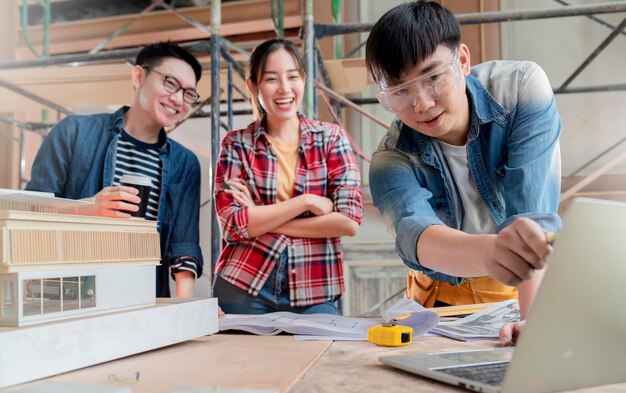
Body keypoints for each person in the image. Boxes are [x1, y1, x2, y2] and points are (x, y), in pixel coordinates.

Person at [365, 1, 562, 343]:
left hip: (522, 289)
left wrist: (532, 322)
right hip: (439, 304)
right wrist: (491, 252)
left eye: (433, 78)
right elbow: (417, 235)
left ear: (463, 60)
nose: (422, 103)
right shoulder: (390, 159)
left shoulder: (520, 90)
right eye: (400, 92)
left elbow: (532, 217)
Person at [26, 41, 203, 298]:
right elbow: (30, 209)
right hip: (68, 292)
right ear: (139, 76)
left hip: (143, 296)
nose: (178, 99)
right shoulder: (74, 132)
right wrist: (86, 208)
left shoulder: (185, 163)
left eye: (188, 94)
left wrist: (184, 310)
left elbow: (183, 245)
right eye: (170, 83)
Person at [213, 39, 363, 314]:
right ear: (253, 86)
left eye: (292, 77)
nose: (284, 88)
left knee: (319, 356)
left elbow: (348, 221)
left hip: (315, 286)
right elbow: (233, 225)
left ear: (303, 80)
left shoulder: (331, 138)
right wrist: (306, 202)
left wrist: (260, 216)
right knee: (241, 359)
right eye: (271, 79)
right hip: (244, 283)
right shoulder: (236, 144)